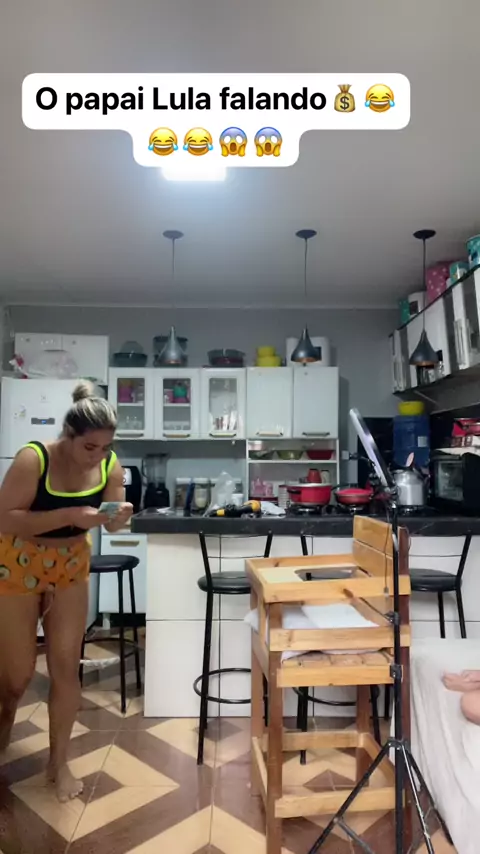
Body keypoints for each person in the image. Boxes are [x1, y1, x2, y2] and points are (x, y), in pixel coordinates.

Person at [0, 381, 133, 801]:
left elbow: (113, 518)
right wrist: (71, 514)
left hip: (71, 565)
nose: (97, 455)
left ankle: (58, 765)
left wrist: (117, 518)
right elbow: (5, 519)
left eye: (105, 448)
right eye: (89, 447)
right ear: (68, 435)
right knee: (17, 674)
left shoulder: (109, 464)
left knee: (65, 667)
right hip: (18, 561)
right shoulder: (33, 459)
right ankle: (6, 714)